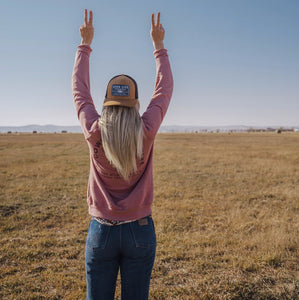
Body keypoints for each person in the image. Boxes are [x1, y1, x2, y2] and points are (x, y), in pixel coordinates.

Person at [72, 9, 173, 300]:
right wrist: (159, 47)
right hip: (140, 231)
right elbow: (164, 90)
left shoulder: (94, 131)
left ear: (106, 104)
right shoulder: (146, 129)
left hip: (101, 231)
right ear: (135, 105)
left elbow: (80, 91)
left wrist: (85, 45)